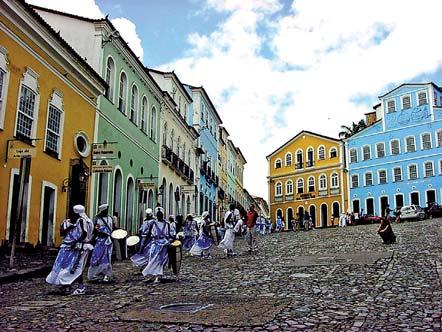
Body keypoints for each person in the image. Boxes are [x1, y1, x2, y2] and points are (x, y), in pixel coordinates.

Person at [46, 205, 94, 295]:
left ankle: (80, 286)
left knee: (76, 267)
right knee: (66, 267)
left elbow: (84, 233)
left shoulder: (81, 221)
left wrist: (75, 242)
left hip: (78, 247)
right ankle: (66, 285)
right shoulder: (69, 222)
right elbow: (62, 232)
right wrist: (70, 228)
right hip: (68, 246)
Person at [141, 207, 175, 282]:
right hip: (155, 244)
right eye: (158, 215)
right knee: (152, 259)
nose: (159, 216)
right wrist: (144, 244)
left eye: (161, 215)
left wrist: (171, 241)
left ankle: (158, 275)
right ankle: (153, 274)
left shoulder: (167, 224)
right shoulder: (152, 223)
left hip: (164, 244)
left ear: (163, 215)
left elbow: (169, 235)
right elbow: (149, 234)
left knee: (161, 260)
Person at [88, 203, 113, 282]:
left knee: (107, 258)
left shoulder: (110, 218)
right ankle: (94, 275)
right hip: (100, 241)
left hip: (108, 241)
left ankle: (106, 274)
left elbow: (112, 227)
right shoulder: (97, 219)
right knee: (97, 257)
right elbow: (95, 230)